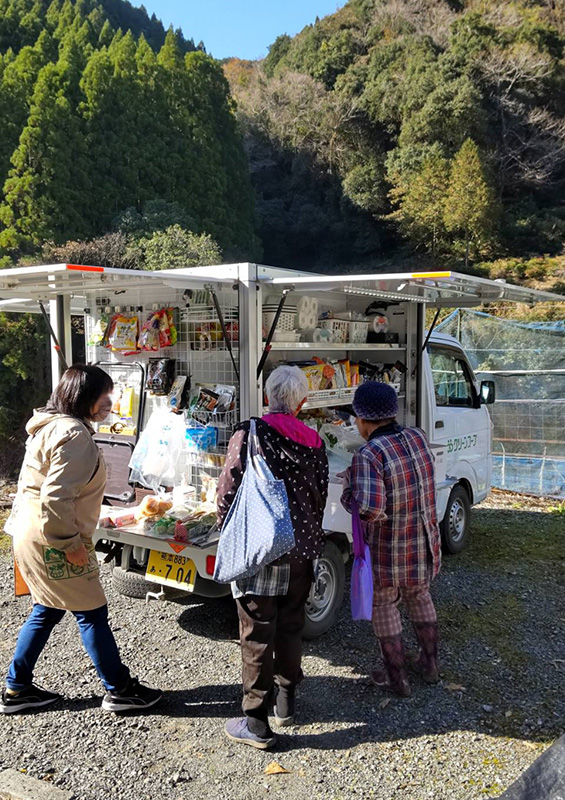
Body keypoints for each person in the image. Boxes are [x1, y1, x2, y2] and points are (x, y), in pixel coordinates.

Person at [1, 365, 162, 715]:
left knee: (47, 608)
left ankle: (16, 688)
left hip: (29, 531)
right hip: (53, 538)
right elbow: (56, 499)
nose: (111, 402)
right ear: (87, 397)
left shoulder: (49, 424)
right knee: (92, 611)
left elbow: (55, 490)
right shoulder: (73, 434)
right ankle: (118, 688)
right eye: (106, 395)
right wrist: (70, 544)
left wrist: (94, 517)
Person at [217, 365, 329, 749]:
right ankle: (286, 702)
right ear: (301, 402)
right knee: (291, 625)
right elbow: (320, 496)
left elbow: (228, 488)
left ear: (268, 397)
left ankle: (256, 723)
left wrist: (226, 529)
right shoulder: (315, 441)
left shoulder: (249, 433)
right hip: (302, 547)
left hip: (262, 547)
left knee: (257, 633)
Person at [341, 381, 441, 698]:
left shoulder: (369, 455)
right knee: (419, 594)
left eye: (355, 417)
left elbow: (370, 509)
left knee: (384, 604)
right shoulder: (417, 436)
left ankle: (396, 679)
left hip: (390, 545)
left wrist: (348, 492)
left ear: (363, 419)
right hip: (423, 537)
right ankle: (429, 664)